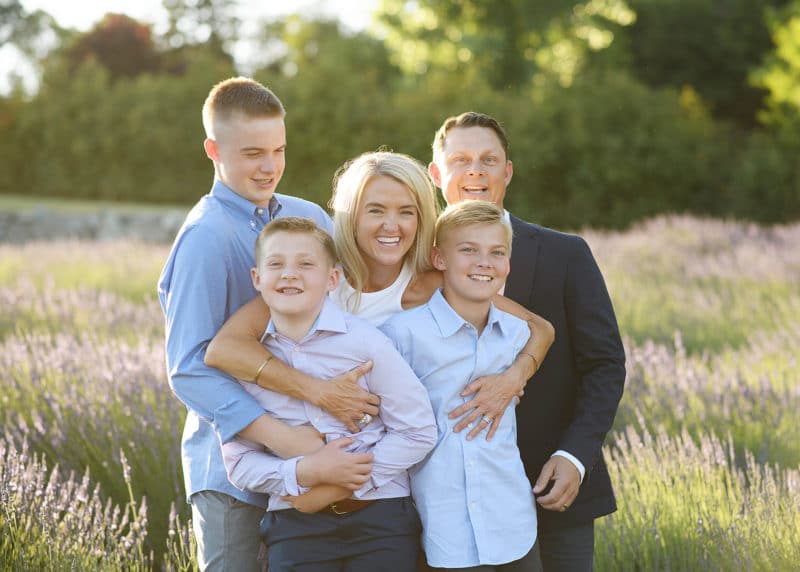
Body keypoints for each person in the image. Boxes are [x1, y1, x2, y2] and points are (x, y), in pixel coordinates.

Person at [158, 77, 379, 572]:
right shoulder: (205, 238)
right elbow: (189, 368)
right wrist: (285, 440)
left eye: (279, 150)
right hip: (233, 475)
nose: (270, 166)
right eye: (253, 152)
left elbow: (352, 298)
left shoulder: (308, 217)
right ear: (213, 149)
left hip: (318, 461)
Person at [206, 151, 554, 439]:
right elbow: (225, 349)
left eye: (406, 212)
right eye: (376, 211)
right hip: (309, 460)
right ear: (351, 215)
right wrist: (319, 392)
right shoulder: (321, 278)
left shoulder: (437, 286)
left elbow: (540, 329)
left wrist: (511, 380)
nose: (392, 226)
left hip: (404, 473)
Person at [427, 112, 626, 571]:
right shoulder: (420, 264)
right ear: (437, 175)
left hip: (551, 487)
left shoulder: (566, 254)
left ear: (507, 172)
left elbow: (605, 365)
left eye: (488, 159)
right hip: (448, 508)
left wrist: (574, 456)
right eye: (460, 160)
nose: (475, 171)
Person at [221, 216, 437, 571]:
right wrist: (305, 472)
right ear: (257, 279)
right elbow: (239, 462)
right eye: (276, 264)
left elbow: (418, 429)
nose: (290, 274)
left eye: (306, 264)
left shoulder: (366, 343)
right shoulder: (250, 363)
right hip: (295, 524)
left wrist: (345, 481)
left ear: (332, 279)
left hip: (380, 517)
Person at [381, 200, 543, 571]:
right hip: (440, 528)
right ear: (440, 259)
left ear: (507, 265)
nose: (484, 262)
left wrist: (516, 377)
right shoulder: (402, 334)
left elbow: (542, 339)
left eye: (496, 252)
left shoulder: (517, 335)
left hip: (513, 526)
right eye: (468, 250)